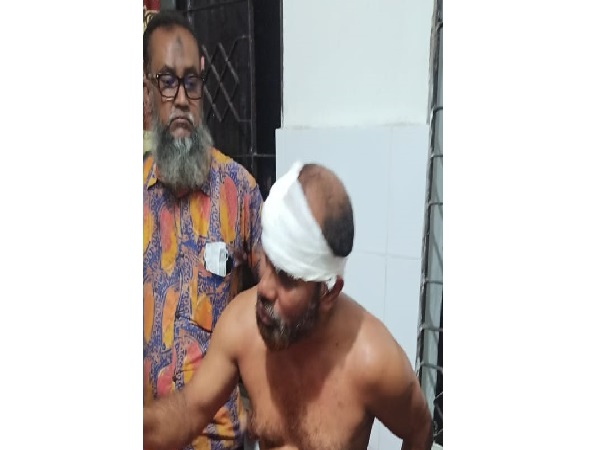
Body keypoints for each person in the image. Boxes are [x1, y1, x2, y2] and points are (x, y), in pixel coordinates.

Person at [144, 162, 433, 450]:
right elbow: (188, 412)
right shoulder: (241, 325)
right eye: (268, 261)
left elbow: (419, 430)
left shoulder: (374, 361)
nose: (264, 288)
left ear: (328, 292)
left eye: (286, 278)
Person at [143, 11, 263, 450]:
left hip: (222, 441)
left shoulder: (240, 192)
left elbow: (277, 302)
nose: (180, 99)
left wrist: (265, 410)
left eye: (191, 82)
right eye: (167, 81)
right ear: (147, 93)